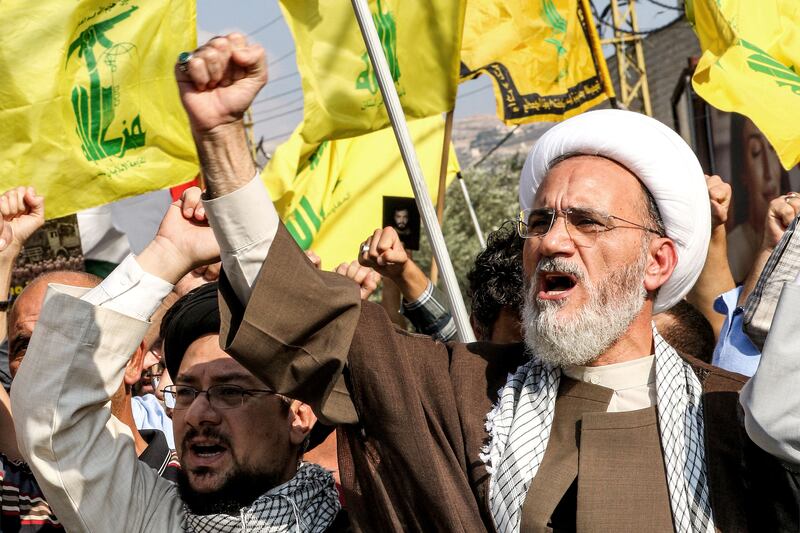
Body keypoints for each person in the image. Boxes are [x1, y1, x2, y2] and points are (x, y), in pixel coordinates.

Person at [169, 34, 794, 531]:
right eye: (542, 220)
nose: (551, 240)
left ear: (657, 263)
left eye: (587, 222)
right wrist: (222, 140)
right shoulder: (463, 392)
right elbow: (306, 317)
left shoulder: (738, 418)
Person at [726, 114, 791, 282]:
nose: (769, 172)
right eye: (755, 152)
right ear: (743, 172)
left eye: (773, 149)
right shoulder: (732, 248)